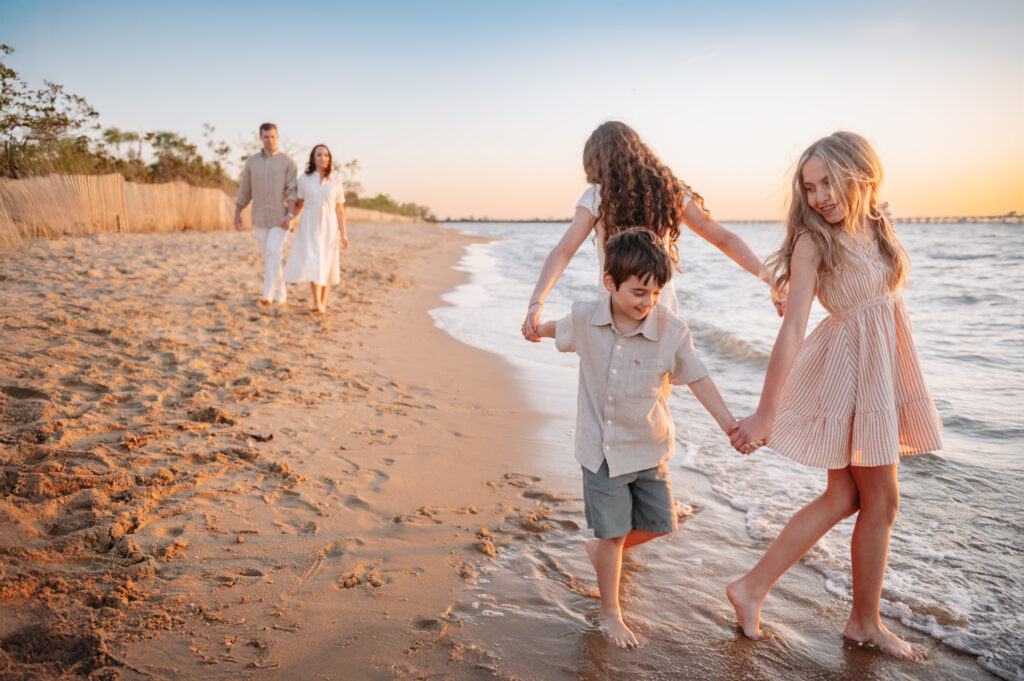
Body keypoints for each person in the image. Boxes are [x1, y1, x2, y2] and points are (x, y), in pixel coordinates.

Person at [726, 132, 943, 660]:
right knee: (882, 501)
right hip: (851, 371)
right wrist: (765, 411)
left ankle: (752, 588)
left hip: (881, 366)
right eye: (811, 187)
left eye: (829, 182)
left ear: (860, 174)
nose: (821, 196)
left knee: (848, 497)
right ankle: (863, 623)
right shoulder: (813, 241)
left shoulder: (877, 224)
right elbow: (795, 325)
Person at [533, 229, 737, 648]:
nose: (648, 302)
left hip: (649, 449)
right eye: (639, 292)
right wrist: (536, 328)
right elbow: (561, 328)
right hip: (602, 451)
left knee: (662, 524)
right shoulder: (587, 319)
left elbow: (698, 378)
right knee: (610, 535)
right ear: (611, 282)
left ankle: (605, 551)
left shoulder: (671, 330)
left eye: (657, 293)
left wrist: (730, 425)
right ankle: (610, 611)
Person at [522, 120, 773, 342]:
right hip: (659, 307)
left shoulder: (597, 197)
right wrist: (772, 280)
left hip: (613, 309)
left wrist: (537, 302)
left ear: (597, 162)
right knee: (657, 395)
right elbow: (724, 239)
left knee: (606, 390)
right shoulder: (669, 192)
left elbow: (564, 250)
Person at [234, 123, 299, 307]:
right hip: (259, 217)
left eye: (272, 136)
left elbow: (292, 191)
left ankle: (267, 296)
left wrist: (290, 215)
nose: (269, 140)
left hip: (281, 218)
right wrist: (238, 213)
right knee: (270, 256)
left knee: (273, 251)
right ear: (260, 138)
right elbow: (244, 190)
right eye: (265, 137)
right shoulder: (251, 163)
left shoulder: (288, 162)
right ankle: (282, 295)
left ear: (277, 137)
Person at [283, 144, 349, 313]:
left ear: (330, 158)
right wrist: (289, 217)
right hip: (309, 222)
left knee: (327, 261)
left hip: (330, 223)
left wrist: (343, 234)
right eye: (319, 155)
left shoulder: (336, 180)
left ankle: (323, 301)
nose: (323, 158)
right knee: (313, 260)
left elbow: (340, 209)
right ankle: (316, 301)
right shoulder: (304, 179)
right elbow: (300, 205)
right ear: (313, 158)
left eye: (326, 155)